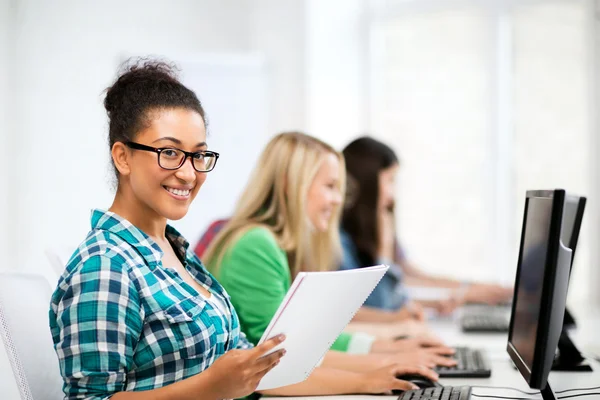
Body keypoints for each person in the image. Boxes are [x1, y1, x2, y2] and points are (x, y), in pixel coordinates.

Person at [48, 59, 287, 400]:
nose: (189, 174)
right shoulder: (105, 267)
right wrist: (211, 387)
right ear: (123, 157)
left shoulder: (176, 253)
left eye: (198, 156)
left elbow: (250, 367)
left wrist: (375, 377)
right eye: (170, 152)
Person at [202, 132, 455, 396]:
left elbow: (311, 342)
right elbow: (283, 356)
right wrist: (379, 366)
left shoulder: (275, 244)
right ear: (292, 184)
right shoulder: (254, 244)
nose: (338, 200)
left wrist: (388, 349)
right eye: (330, 186)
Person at [340, 136, 512, 320]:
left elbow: (406, 276)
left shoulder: (376, 226)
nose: (393, 194)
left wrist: (469, 288)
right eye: (390, 180)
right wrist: (384, 250)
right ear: (368, 183)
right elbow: (381, 302)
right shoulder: (343, 243)